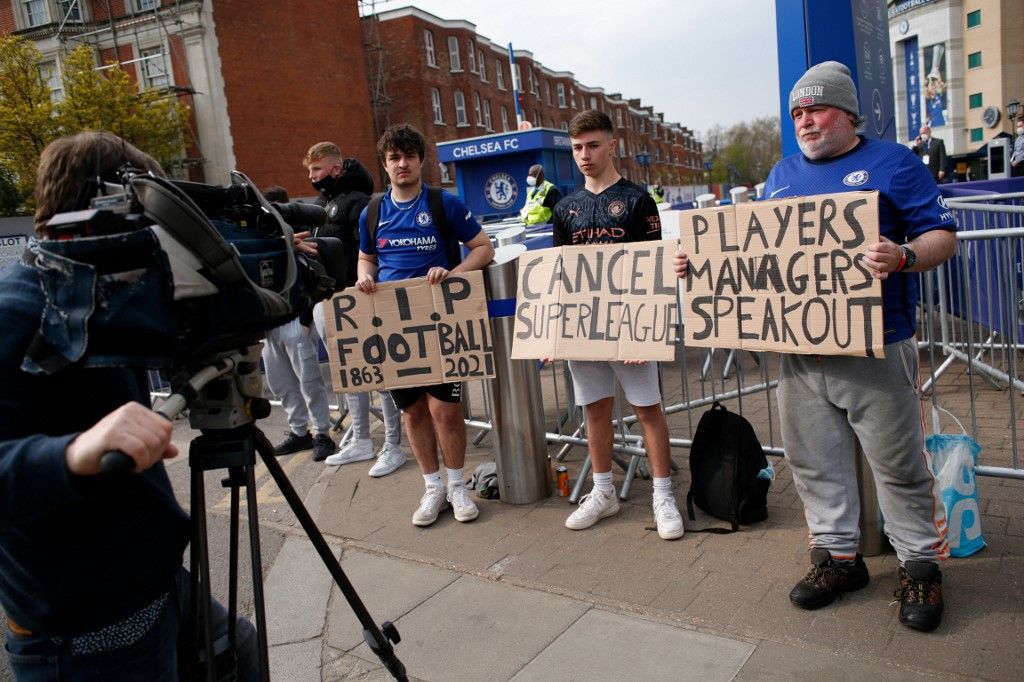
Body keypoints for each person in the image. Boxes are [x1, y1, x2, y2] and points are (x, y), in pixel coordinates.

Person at [676, 61, 954, 632]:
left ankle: (920, 566)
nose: (804, 121)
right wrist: (699, 261)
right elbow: (752, 255)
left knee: (898, 464)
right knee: (813, 461)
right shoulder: (782, 174)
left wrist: (902, 256)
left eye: (816, 109)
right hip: (802, 354)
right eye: (797, 112)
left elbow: (942, 237)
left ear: (848, 113)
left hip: (879, 346)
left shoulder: (894, 163)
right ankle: (838, 559)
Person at [0, 131, 258, 678]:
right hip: (83, 635)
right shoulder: (15, 313)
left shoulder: (102, 292)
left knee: (241, 649)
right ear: (103, 213)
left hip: (156, 586)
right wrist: (74, 452)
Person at [552, 109, 684, 541]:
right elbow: (558, 276)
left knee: (648, 409)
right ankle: (604, 491)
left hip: (631, 330)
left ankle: (663, 495)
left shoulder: (637, 200)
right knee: (595, 409)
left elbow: (653, 269)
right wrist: (553, 330)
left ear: (612, 145)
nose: (584, 155)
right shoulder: (565, 207)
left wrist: (642, 328)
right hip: (585, 329)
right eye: (576, 148)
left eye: (592, 145)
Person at [355, 123, 495, 526]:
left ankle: (457, 487)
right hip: (395, 326)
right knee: (413, 412)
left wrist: (454, 272)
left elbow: (483, 248)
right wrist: (364, 277)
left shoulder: (442, 203)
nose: (402, 163)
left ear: (420, 160)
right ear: (385, 164)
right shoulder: (373, 211)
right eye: (394, 158)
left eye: (408, 156)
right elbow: (367, 258)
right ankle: (432, 488)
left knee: (446, 410)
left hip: (440, 320)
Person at [302, 142, 406, 477]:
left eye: (316, 169)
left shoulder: (360, 203)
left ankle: (393, 443)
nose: (311, 177)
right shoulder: (323, 204)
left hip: (356, 297)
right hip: (328, 300)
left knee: (380, 374)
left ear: (334, 168)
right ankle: (361, 438)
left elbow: (369, 253)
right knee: (351, 375)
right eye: (309, 170)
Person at [260, 185, 336, 462]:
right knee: (280, 382)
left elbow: (313, 279)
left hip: (295, 320)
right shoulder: (263, 239)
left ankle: (322, 433)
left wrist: (305, 319)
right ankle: (299, 431)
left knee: (309, 380)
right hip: (270, 324)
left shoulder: (299, 236)